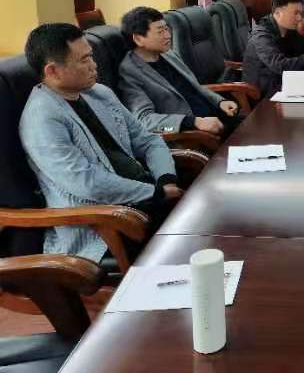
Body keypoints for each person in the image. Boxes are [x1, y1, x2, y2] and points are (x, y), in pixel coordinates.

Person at [19, 23, 183, 262]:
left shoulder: (99, 93)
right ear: (52, 71)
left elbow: (148, 141)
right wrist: (156, 193)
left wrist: (166, 179)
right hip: (102, 224)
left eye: (91, 56)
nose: (94, 65)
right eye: (84, 60)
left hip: (145, 195)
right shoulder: (42, 118)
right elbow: (87, 184)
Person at [118, 6, 240, 137]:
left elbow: (195, 86)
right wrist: (194, 123)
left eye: (166, 28)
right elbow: (145, 120)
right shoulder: (129, 72)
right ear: (138, 39)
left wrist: (220, 102)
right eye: (160, 32)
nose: (168, 35)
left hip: (214, 117)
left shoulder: (168, 54)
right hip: (195, 135)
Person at [243, 0, 304, 98]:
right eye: (296, 13)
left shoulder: (289, 31)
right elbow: (280, 65)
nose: (300, 18)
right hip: (262, 94)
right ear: (278, 13)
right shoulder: (261, 36)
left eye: (301, 13)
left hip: (286, 85)